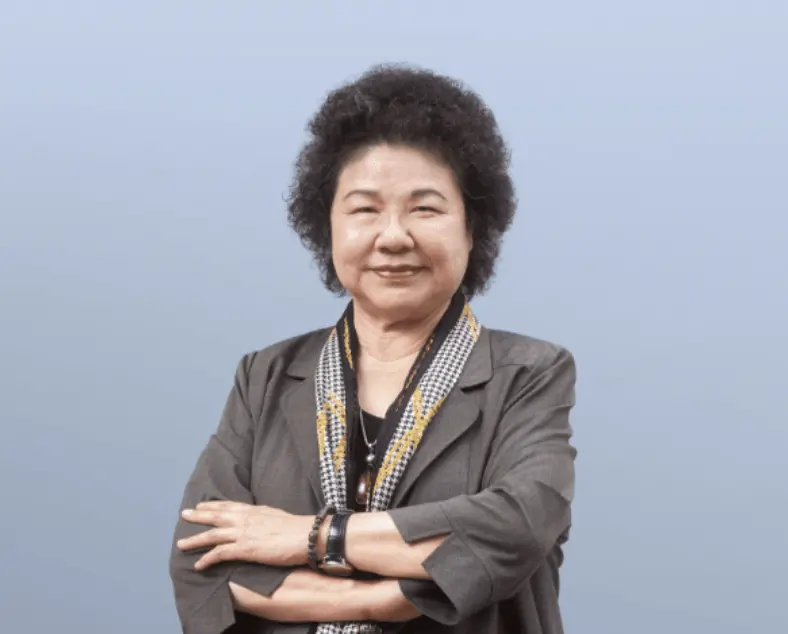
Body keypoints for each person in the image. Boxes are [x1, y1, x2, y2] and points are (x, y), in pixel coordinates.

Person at [169, 63, 578, 634]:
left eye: (425, 208)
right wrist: (381, 600)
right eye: (364, 209)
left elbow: (516, 529)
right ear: (327, 226)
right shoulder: (266, 375)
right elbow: (203, 561)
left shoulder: (528, 373)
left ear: (472, 227)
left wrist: (308, 536)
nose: (392, 237)